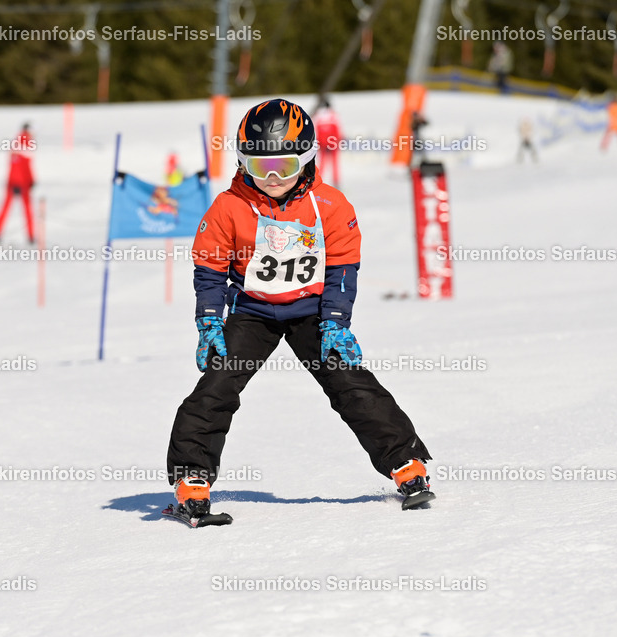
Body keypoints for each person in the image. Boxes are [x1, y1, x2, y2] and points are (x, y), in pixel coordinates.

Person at [165, 99, 435, 520]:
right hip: (253, 312)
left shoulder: (330, 205)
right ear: (242, 163)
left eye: (284, 166)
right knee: (217, 385)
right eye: (260, 167)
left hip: (312, 313)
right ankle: (192, 476)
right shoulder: (229, 206)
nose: (272, 178)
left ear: (306, 159)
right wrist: (209, 321)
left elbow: (343, 268)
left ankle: (406, 463)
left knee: (350, 383)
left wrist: (336, 322)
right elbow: (210, 268)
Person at [0, 123, 35, 244]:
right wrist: (16, 183)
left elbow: (27, 166)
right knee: (7, 209)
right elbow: (15, 166)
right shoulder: (20, 144)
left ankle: (31, 237)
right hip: (15, 184)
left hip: (25, 184)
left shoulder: (28, 143)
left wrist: (31, 180)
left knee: (28, 211)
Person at [313, 99, 342, 186]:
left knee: (322, 163)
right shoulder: (333, 115)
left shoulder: (318, 116)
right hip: (333, 142)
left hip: (323, 142)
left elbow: (316, 131)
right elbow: (337, 129)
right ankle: (336, 182)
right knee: (334, 163)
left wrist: (319, 142)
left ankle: (318, 181)